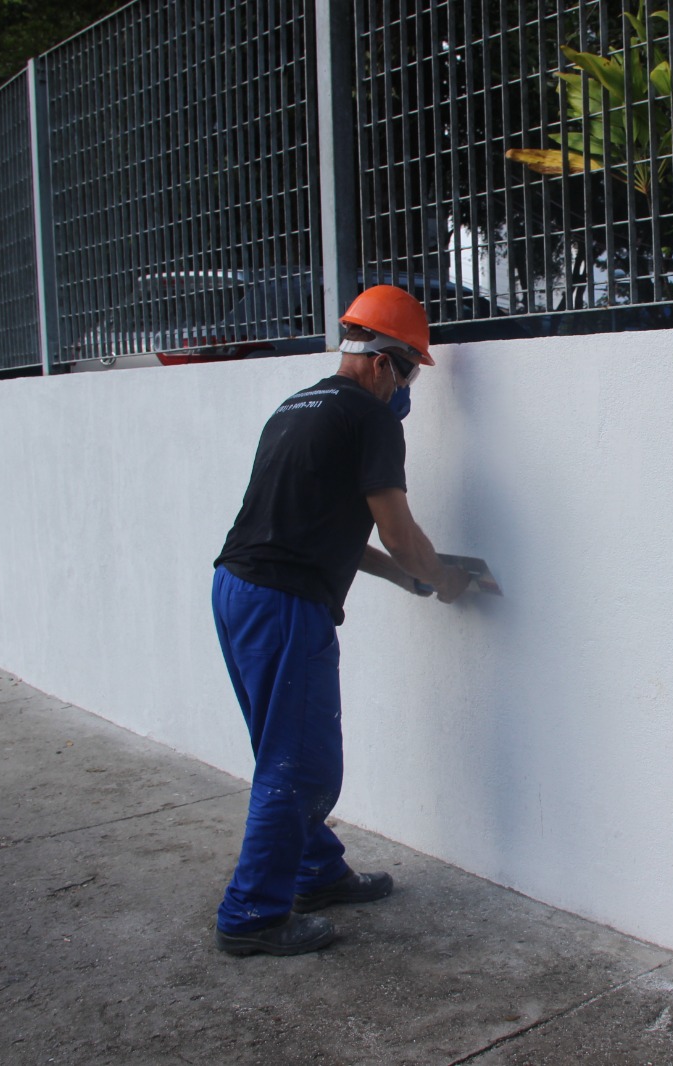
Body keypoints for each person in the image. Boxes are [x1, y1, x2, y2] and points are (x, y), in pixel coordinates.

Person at [209, 284, 472, 957]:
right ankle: (251, 915)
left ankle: (315, 870)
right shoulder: (369, 416)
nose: (409, 387)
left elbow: (335, 536)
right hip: (282, 603)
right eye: (410, 369)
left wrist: (405, 576)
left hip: (238, 590)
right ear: (383, 362)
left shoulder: (297, 407)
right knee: (304, 765)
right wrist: (441, 578)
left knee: (284, 750)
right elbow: (398, 530)